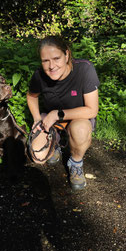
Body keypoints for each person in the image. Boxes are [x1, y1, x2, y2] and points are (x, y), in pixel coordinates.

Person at [27, 35, 100, 192]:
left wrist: (57, 114)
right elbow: (31, 96)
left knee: (80, 130)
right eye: (45, 61)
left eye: (56, 58)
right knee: (38, 157)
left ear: (66, 55)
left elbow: (92, 109)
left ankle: (76, 163)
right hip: (52, 120)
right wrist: (37, 119)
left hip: (78, 119)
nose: (51, 66)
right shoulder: (39, 75)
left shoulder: (84, 69)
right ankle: (57, 143)